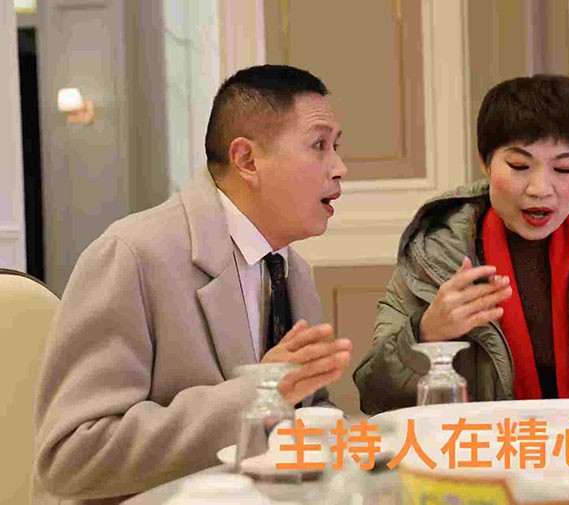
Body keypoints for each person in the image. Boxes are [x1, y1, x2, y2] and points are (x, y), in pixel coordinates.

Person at [33, 65, 352, 503]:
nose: (340, 168)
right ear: (247, 160)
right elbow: (72, 457)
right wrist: (258, 396)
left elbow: (305, 409)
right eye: (319, 146)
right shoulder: (131, 255)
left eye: (336, 147)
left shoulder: (292, 269)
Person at [353, 74, 569, 415]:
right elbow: (374, 395)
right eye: (519, 166)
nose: (540, 189)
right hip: (482, 445)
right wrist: (425, 333)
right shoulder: (437, 249)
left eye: (563, 168)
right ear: (485, 163)